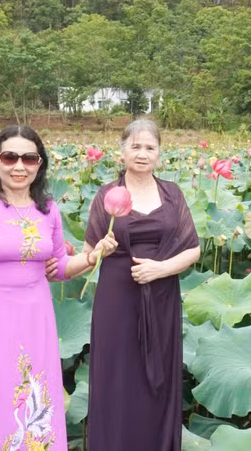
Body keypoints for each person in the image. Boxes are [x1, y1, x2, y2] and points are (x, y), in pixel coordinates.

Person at [0, 125, 117, 451]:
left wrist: (93, 256)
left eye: (29, 158)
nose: (19, 166)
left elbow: (58, 268)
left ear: (40, 164)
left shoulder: (47, 209)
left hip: (36, 323)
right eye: (10, 157)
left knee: (39, 405)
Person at [85, 119, 201, 451]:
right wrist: (99, 251)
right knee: (117, 380)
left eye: (149, 147)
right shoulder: (107, 195)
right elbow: (89, 252)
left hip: (161, 296)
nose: (142, 153)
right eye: (135, 146)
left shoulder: (172, 194)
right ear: (122, 152)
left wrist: (160, 269)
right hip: (116, 299)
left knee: (157, 383)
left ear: (159, 155)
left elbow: (193, 249)